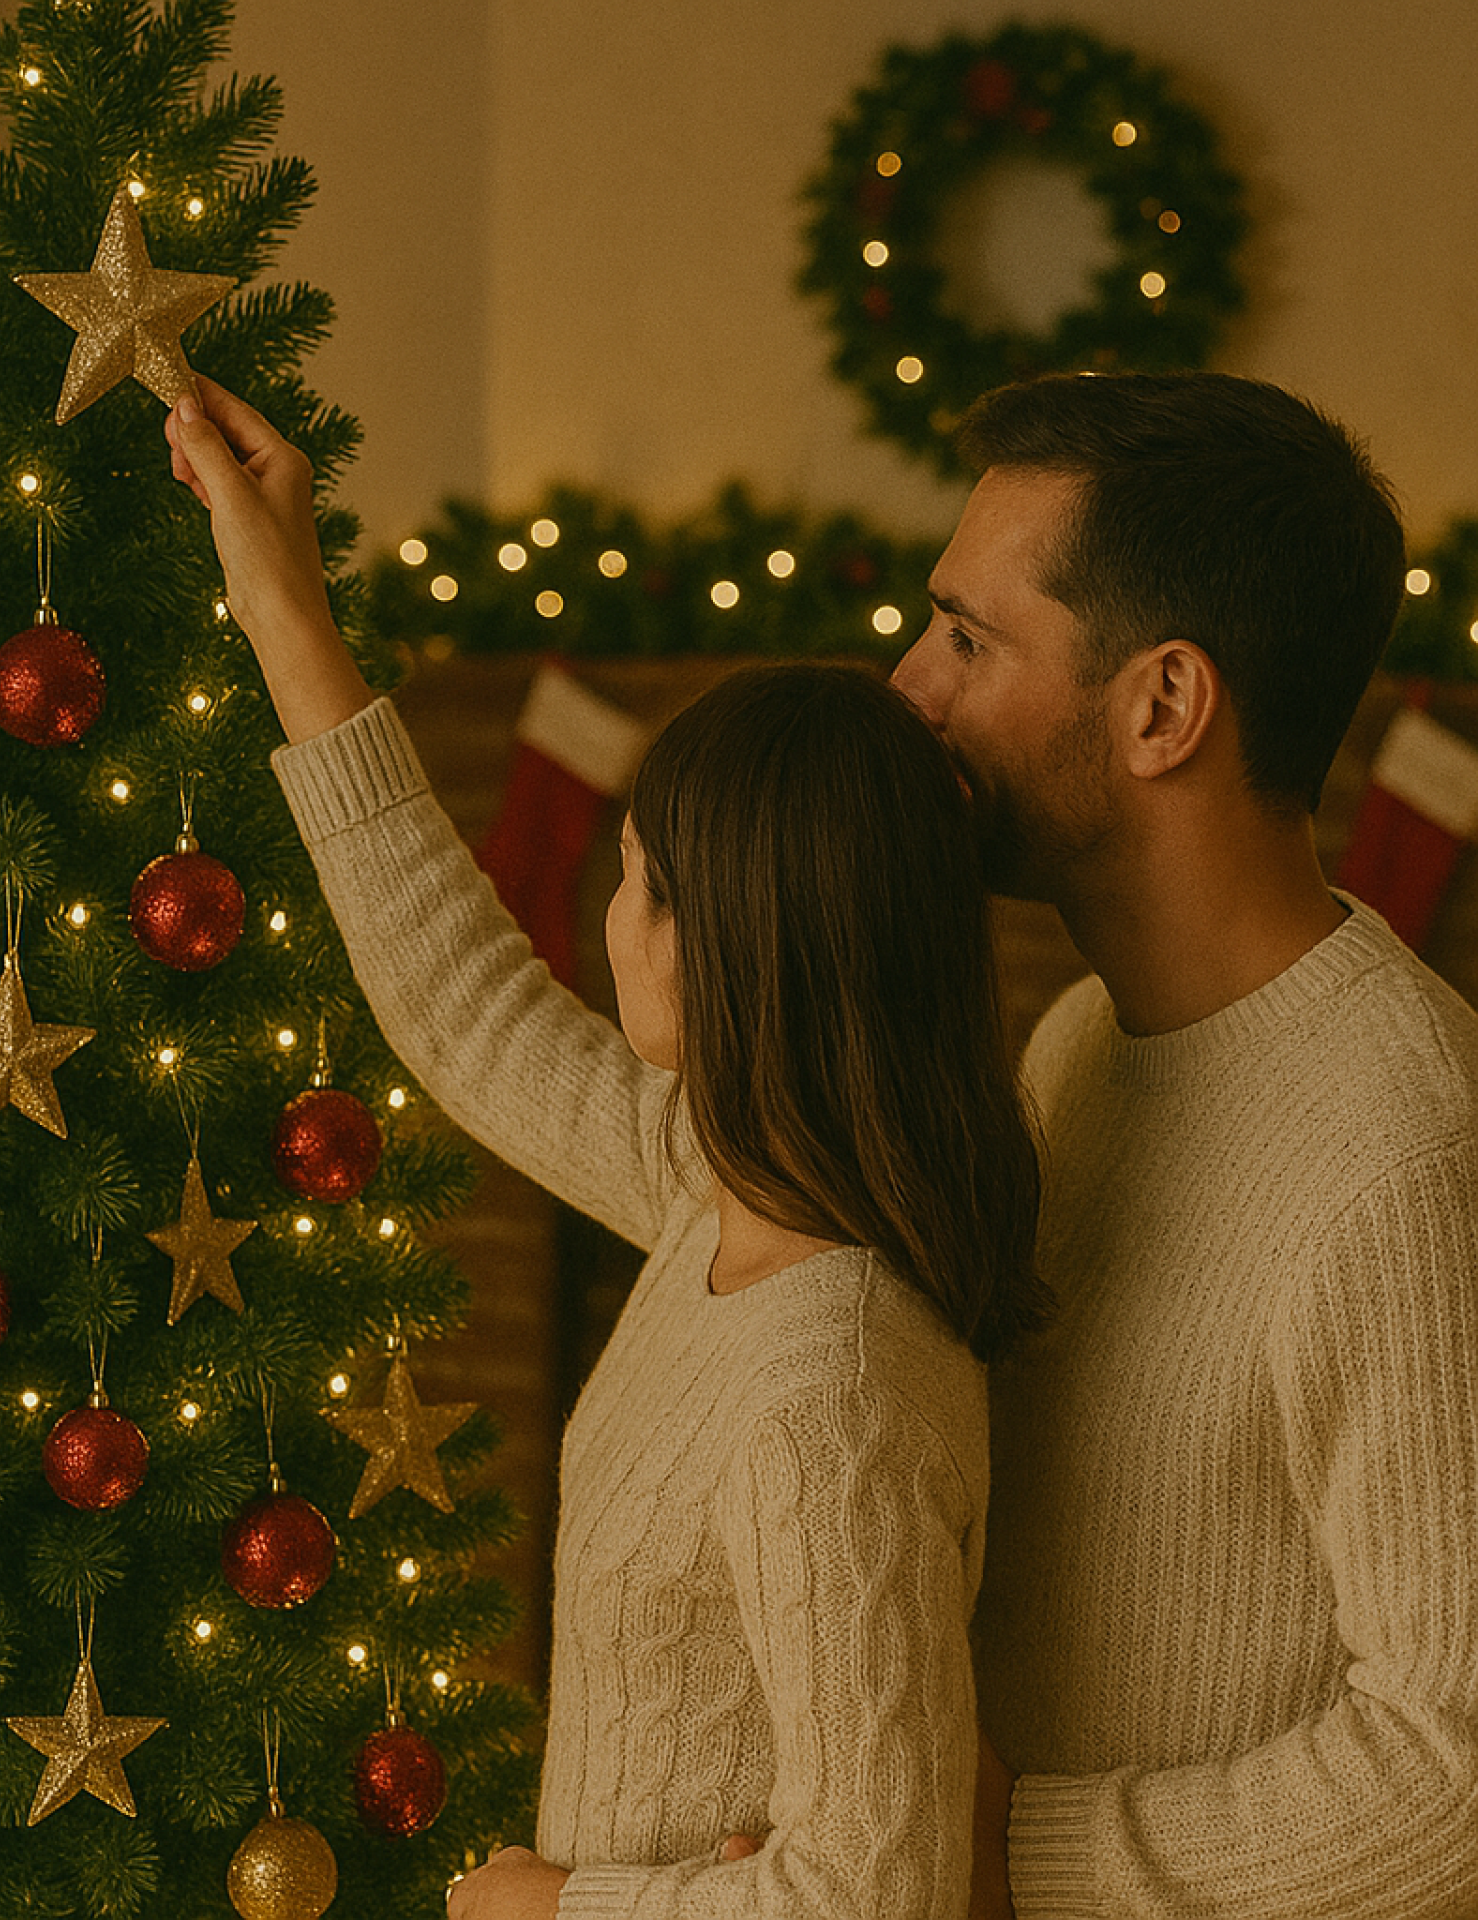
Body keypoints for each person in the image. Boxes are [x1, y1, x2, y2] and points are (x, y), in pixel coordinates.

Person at [165, 377, 1049, 1918]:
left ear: (742, 951)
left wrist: (562, 1908)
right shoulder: (730, 1196)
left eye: (638, 884)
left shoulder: (826, 1393)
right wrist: (282, 608)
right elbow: (468, 1006)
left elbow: (876, 1890)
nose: (608, 921)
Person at [886, 371, 1478, 1918]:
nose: (909, 685)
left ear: (1163, 707)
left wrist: (1021, 1858)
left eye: (967, 638)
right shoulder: (1081, 1043)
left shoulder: (1408, 1153)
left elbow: (1456, 1774)